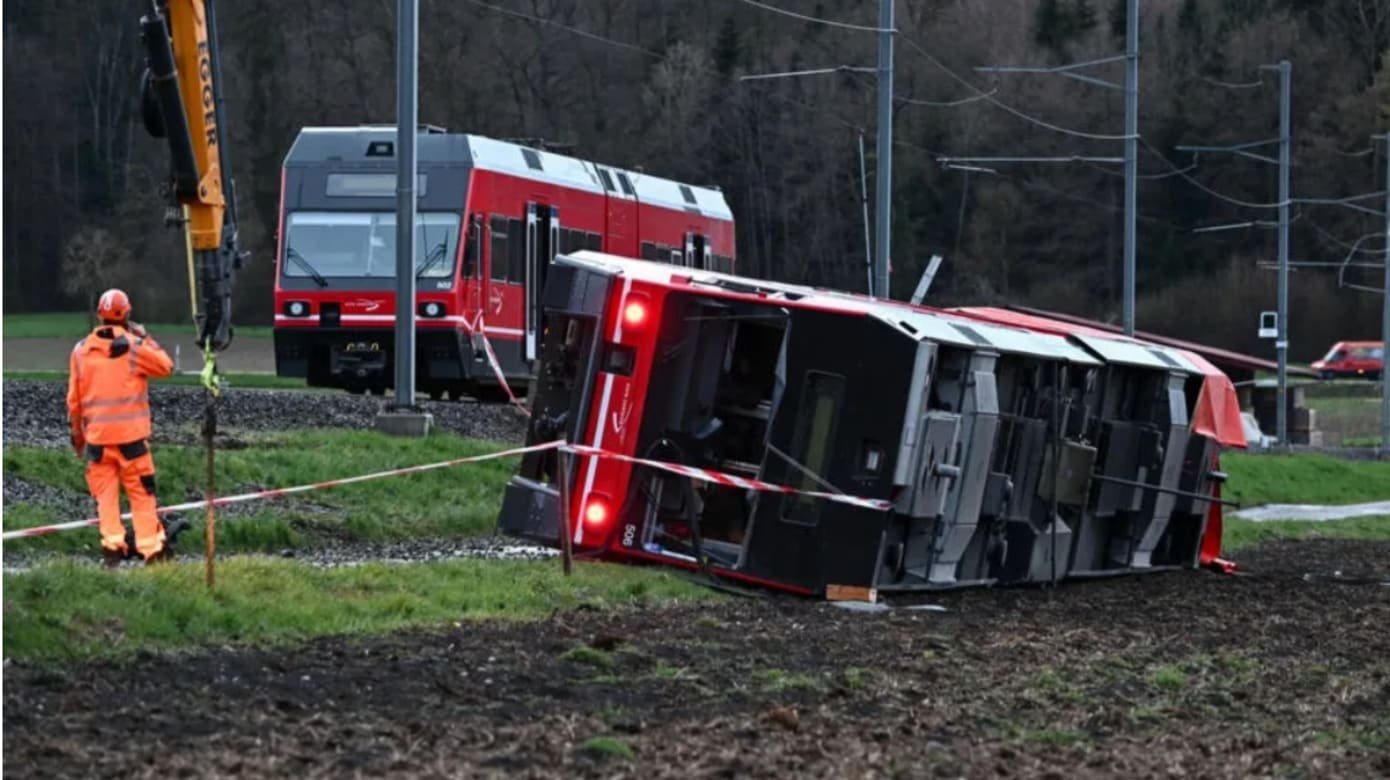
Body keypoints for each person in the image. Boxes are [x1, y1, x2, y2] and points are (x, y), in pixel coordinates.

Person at [67, 289, 180, 566]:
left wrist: (78, 438)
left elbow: (74, 402)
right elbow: (166, 367)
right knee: (141, 495)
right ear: (127, 315)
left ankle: (112, 548)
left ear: (99, 316)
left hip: (97, 442)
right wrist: (145, 337)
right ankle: (151, 550)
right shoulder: (134, 346)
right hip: (131, 442)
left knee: (105, 498)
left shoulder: (80, 351)